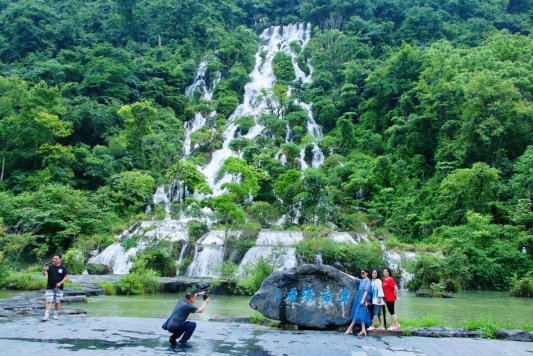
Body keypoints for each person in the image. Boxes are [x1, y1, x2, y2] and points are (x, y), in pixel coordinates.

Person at [343, 269, 372, 336]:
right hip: (358, 298)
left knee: (357, 313)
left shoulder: (368, 281)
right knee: (360, 313)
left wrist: (363, 299)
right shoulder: (361, 280)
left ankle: (350, 328)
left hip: (363, 298)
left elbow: (366, 291)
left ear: (367, 273)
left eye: (363, 273)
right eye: (361, 273)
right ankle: (363, 330)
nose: (362, 274)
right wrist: (346, 274)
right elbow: (354, 278)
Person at [42, 253, 69, 321]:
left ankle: (56, 314)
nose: (55, 260)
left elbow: (66, 277)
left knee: (57, 301)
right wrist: (44, 270)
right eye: (54, 258)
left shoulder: (63, 268)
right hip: (50, 287)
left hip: (59, 287)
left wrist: (60, 283)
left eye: (56, 259)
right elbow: (44, 275)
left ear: (60, 259)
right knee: (48, 300)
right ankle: (46, 315)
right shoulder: (50, 267)